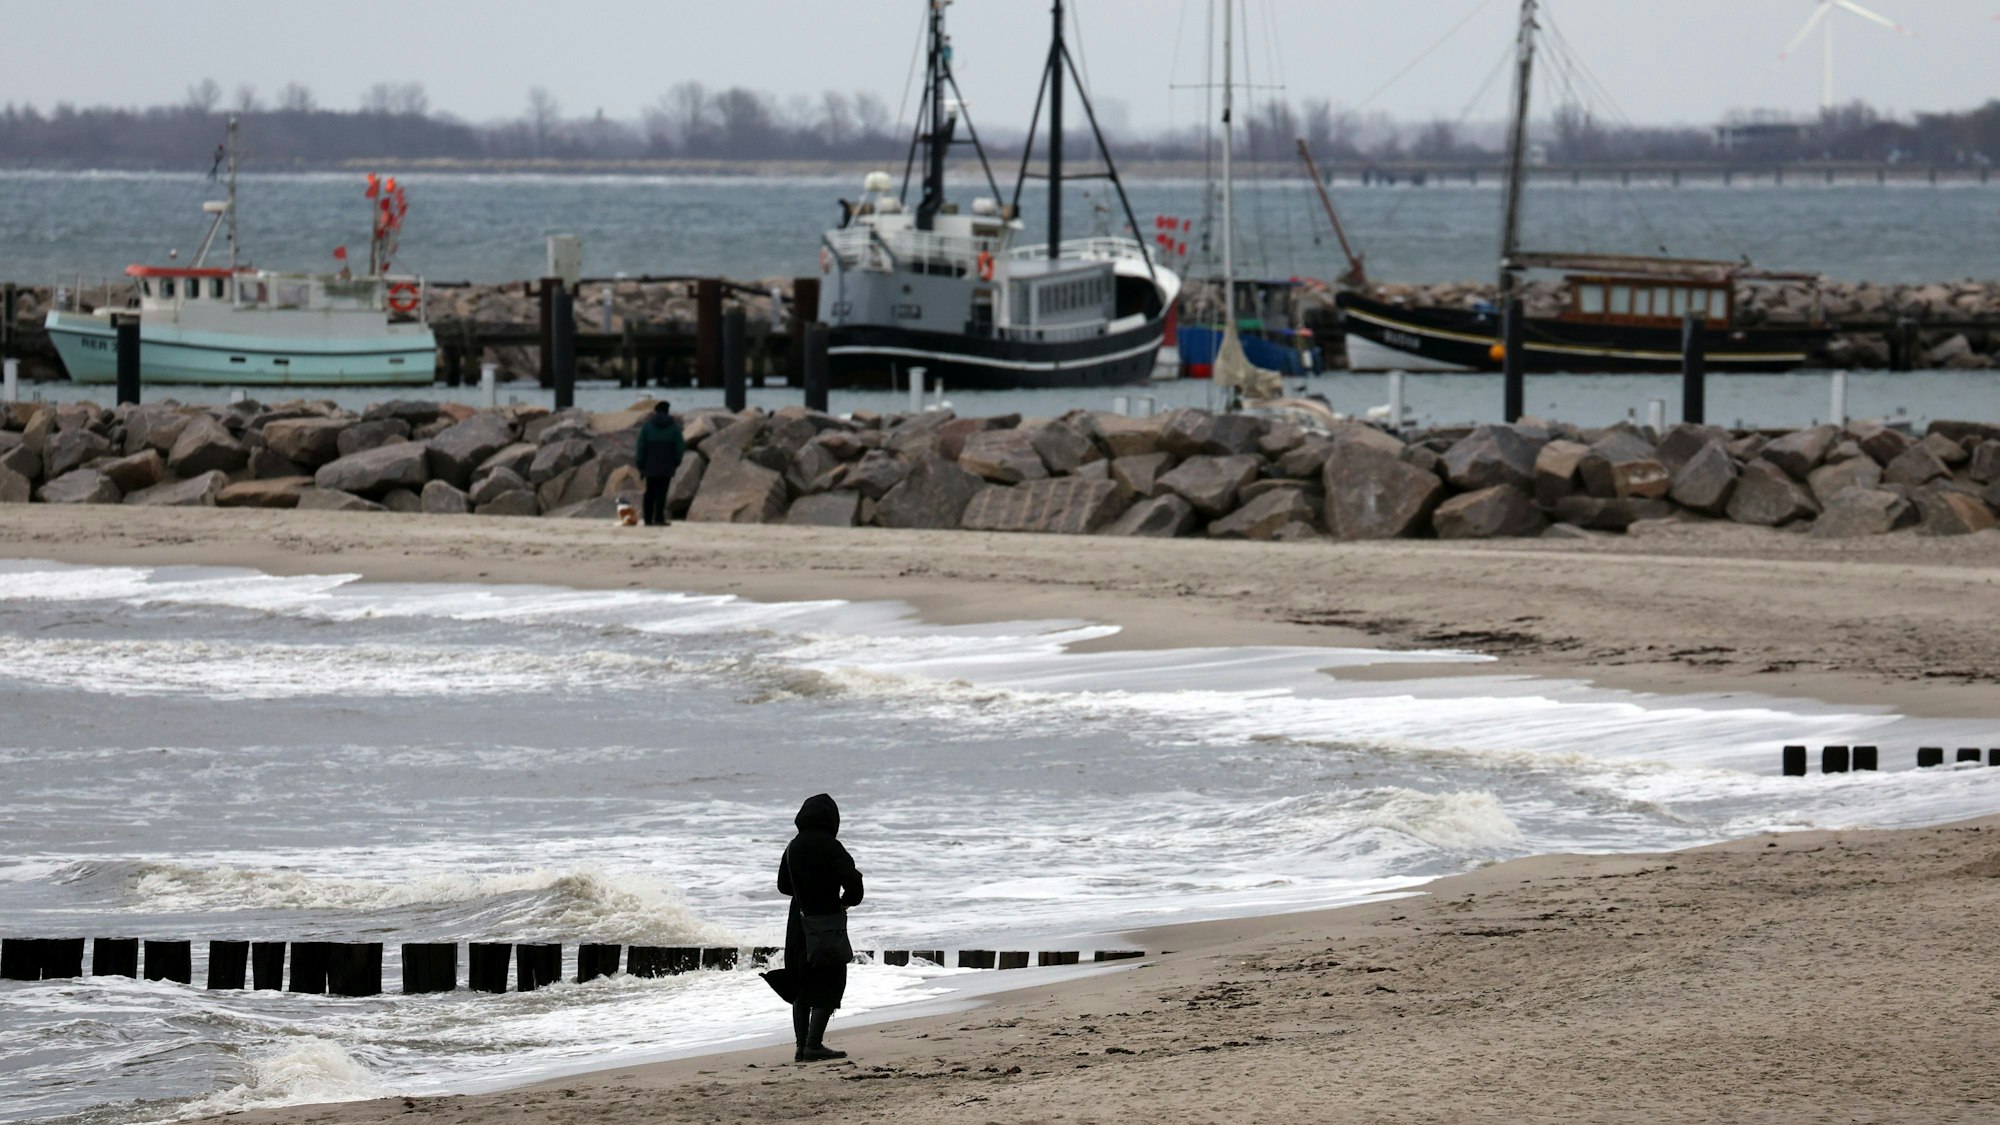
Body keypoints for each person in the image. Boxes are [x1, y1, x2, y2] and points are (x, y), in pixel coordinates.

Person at [777, 793, 864, 1062]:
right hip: (825, 921)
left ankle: (801, 1046)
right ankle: (814, 1044)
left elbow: (783, 886)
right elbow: (854, 884)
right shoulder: (832, 846)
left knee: (800, 981)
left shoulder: (792, 847)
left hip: (798, 922)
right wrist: (845, 903)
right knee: (831, 978)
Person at [633, 402, 686, 527]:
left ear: (655, 411)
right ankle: (659, 518)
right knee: (662, 493)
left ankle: (647, 519)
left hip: (650, 466)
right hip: (667, 466)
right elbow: (680, 447)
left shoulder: (647, 427)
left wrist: (640, 464)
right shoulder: (673, 427)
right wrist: (676, 462)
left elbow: (641, 446)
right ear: (668, 411)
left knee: (650, 492)